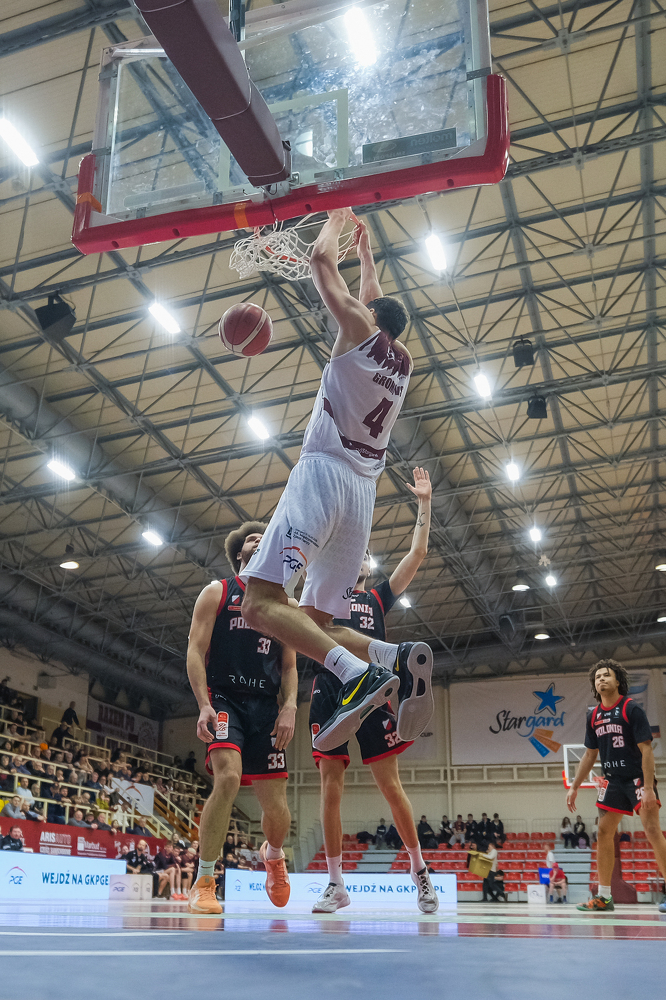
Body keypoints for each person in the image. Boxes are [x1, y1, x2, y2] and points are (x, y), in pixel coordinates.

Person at [235, 210, 432, 755]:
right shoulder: (403, 359)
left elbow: (321, 261)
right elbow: (373, 302)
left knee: (258, 604)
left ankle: (357, 675)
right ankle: (393, 657)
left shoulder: (359, 331)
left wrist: (337, 220)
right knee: (316, 623)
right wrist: (366, 254)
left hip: (323, 474)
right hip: (362, 494)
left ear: (369, 317)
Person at [308, 483, 439, 915]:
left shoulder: (377, 598)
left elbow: (417, 554)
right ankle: (335, 884)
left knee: (391, 787)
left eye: (366, 553)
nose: (361, 556)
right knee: (330, 787)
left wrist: (424, 503)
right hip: (331, 686)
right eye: (355, 551)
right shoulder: (323, 594)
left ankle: (420, 872)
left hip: (376, 689)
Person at [183, 529, 298, 915]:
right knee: (228, 778)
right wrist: (203, 704)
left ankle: (274, 854)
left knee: (278, 810)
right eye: (252, 537)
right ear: (239, 553)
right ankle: (204, 880)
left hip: (266, 706)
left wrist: (290, 706)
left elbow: (289, 666)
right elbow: (195, 650)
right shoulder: (217, 591)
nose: (260, 539)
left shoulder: (284, 603)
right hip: (224, 700)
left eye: (265, 535)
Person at [567, 659, 666, 913]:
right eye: (597, 677)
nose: (601, 679)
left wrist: (649, 787)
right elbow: (590, 754)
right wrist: (574, 786)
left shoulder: (631, 709)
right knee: (603, 832)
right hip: (612, 779)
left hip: (637, 778)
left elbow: (647, 750)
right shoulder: (593, 716)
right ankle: (604, 897)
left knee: (652, 829)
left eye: (606, 675)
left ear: (618, 681)